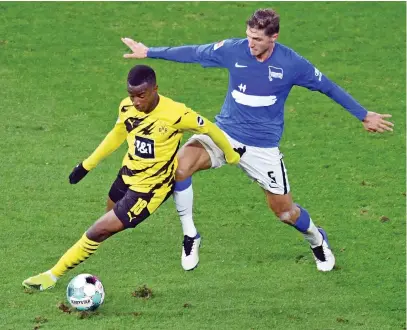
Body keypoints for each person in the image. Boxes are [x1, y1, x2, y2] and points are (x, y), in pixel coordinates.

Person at [120, 8, 394, 272]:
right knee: (179, 166)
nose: (250, 43)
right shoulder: (233, 49)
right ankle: (191, 235)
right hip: (224, 133)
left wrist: (363, 115)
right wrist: (148, 52)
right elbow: (194, 52)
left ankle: (317, 240)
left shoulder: (292, 64)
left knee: (286, 213)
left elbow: (328, 87)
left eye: (257, 39)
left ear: (273, 37)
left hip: (262, 148)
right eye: (249, 36)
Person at [22, 65, 240, 291]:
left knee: (98, 230)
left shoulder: (177, 114)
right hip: (127, 174)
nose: (136, 101)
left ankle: (51, 275)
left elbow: (211, 129)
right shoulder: (127, 107)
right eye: (131, 95)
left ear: (155, 89)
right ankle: (99, 237)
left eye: (141, 95)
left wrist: (231, 156)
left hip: (149, 190)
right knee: (107, 219)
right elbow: (117, 134)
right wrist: (87, 165)